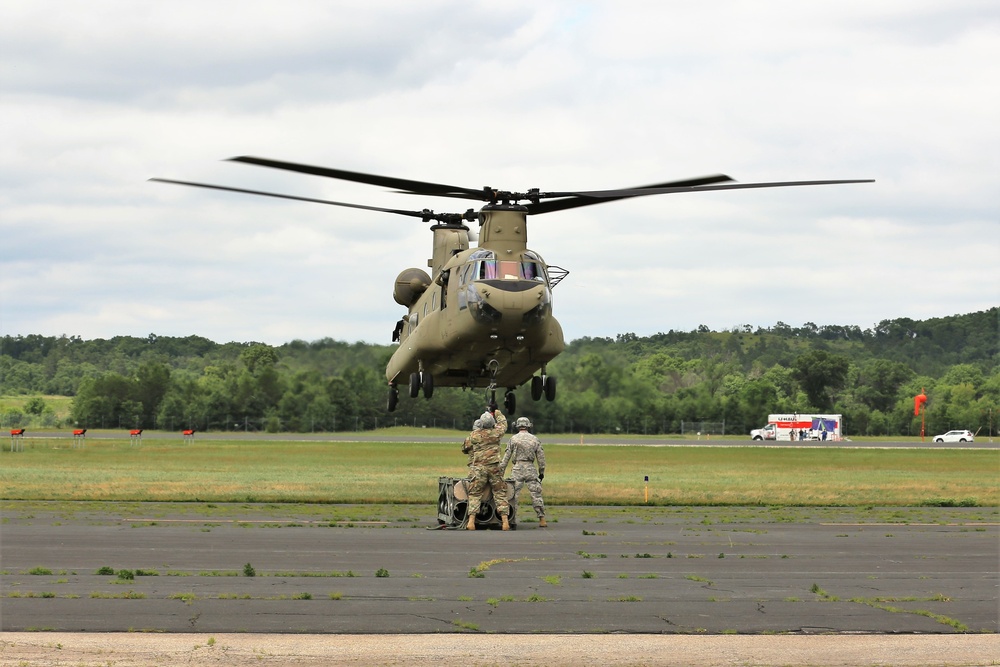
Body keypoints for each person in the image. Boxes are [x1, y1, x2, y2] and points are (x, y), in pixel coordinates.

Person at [464, 408, 510, 531]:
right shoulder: (497, 433)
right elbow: (503, 424)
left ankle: (471, 522)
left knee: (475, 493)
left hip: (478, 468)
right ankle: (505, 522)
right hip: (494, 467)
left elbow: (465, 447)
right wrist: (498, 413)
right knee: (500, 492)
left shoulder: (474, 435)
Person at [500, 416, 547, 528]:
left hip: (517, 468)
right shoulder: (534, 439)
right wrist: (541, 471)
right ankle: (542, 519)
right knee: (536, 494)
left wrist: (501, 471)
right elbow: (541, 458)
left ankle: (512, 520)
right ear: (528, 426)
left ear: (517, 426)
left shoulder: (513, 439)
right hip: (530, 468)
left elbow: (506, 457)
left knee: (513, 495)